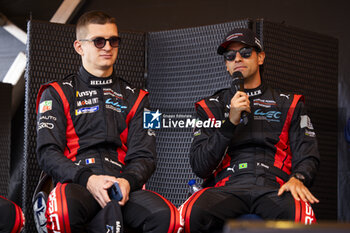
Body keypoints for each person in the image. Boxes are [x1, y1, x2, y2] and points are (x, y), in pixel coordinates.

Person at [36, 11, 180, 233]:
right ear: (79, 47)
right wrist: (88, 180)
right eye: (99, 41)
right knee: (63, 211)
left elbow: (147, 156)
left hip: (122, 185)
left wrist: (127, 182)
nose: (107, 47)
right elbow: (47, 152)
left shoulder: (141, 98)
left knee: (169, 219)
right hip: (78, 182)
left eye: (114, 40)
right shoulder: (55, 93)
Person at [180, 28, 320, 233]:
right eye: (230, 56)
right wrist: (230, 122)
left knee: (303, 217)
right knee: (186, 216)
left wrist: (298, 178)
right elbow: (201, 166)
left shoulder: (289, 103)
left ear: (260, 57)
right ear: (227, 65)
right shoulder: (211, 106)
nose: (237, 58)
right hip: (227, 186)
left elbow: (308, 154)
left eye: (245, 52)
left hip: (275, 187)